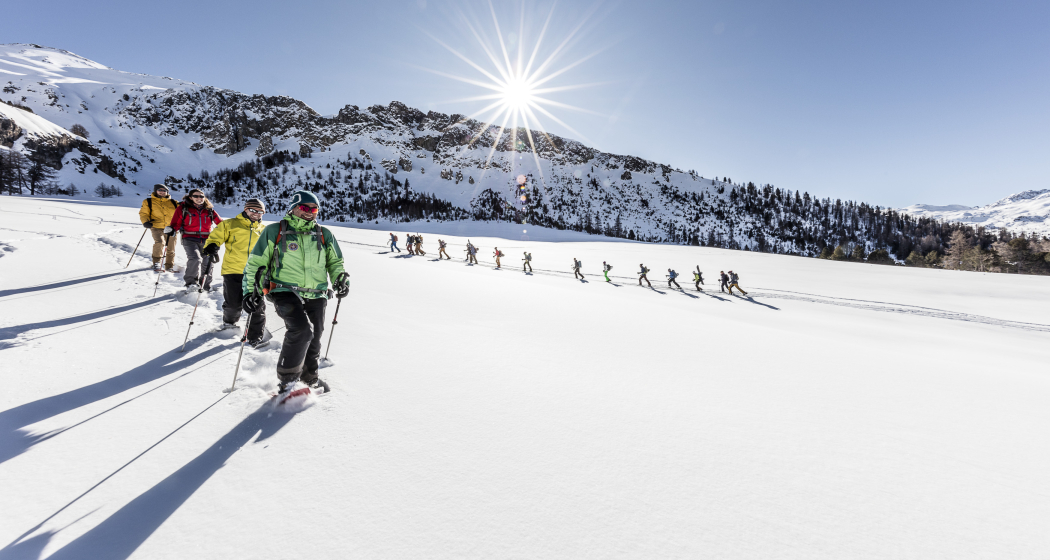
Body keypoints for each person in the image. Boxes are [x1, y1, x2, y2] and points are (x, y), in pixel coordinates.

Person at [242, 190, 347, 394]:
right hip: (284, 290)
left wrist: (340, 279)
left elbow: (335, 262)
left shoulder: (324, 234)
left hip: (316, 293)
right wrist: (249, 292)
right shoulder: (275, 231)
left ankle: (309, 378)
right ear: (293, 208)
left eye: (314, 208)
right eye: (305, 208)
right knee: (301, 330)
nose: (310, 212)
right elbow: (256, 263)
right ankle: (287, 380)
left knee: (315, 336)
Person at [203, 198, 269, 347]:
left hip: (255, 273)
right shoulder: (230, 224)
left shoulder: (264, 230)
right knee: (233, 304)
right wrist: (212, 245)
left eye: (260, 212)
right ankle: (229, 323)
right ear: (245, 209)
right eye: (253, 210)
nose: (256, 214)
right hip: (233, 270)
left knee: (257, 305)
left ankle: (255, 337)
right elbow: (215, 237)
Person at [168, 188, 222, 290]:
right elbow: (176, 223)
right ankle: (191, 283)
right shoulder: (183, 208)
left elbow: (221, 223)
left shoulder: (209, 209)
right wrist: (172, 229)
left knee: (208, 261)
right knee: (195, 259)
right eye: (196, 196)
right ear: (190, 197)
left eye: (201, 196)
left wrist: (230, 231)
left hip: (207, 239)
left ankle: (205, 284)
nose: (199, 198)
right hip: (189, 238)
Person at [138, 184, 179, 272]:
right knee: (160, 242)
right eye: (160, 190)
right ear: (155, 191)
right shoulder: (148, 201)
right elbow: (143, 213)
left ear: (167, 192)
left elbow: (181, 213)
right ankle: (156, 262)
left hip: (171, 228)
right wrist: (145, 222)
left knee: (171, 248)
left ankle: (169, 266)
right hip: (156, 226)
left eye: (164, 190)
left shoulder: (174, 202)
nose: (162, 192)